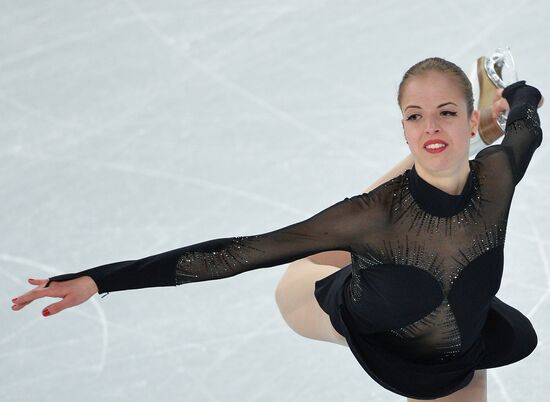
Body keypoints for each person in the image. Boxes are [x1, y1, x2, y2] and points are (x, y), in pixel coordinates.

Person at [10, 56, 544, 401]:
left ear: (471, 121)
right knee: (384, 215)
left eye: (447, 113)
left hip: (451, 329)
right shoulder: (369, 215)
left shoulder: (497, 174)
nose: (428, 126)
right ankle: (429, 173)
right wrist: (101, 280)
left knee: (423, 200)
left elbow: (528, 119)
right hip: (314, 296)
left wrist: (515, 93)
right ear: (401, 125)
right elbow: (230, 255)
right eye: (414, 117)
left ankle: (451, 153)